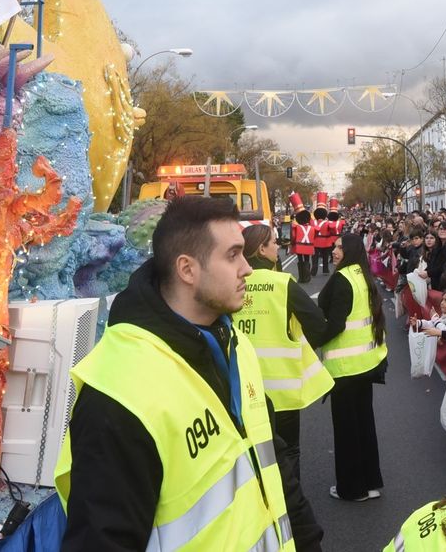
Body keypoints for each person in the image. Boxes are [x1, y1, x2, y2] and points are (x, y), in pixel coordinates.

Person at [54, 197, 292, 552]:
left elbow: (276, 465)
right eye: (232, 255)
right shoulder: (121, 394)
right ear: (187, 269)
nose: (248, 268)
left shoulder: (235, 343)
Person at [239, 225, 333, 507]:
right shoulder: (282, 283)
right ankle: (290, 508)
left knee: (253, 450)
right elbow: (317, 325)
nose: (278, 247)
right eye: (273, 243)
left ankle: (259, 506)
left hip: (243, 386)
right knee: (288, 451)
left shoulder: (232, 282)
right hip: (282, 388)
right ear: (260, 249)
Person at [318, 232, 389, 502]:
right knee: (364, 426)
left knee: (347, 430)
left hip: (345, 368)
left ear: (349, 250)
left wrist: (311, 340)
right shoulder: (362, 275)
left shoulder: (341, 278)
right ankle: (370, 483)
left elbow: (335, 324)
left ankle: (351, 488)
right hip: (367, 364)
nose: (334, 251)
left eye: (338, 247)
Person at [291, 208, 315, 285]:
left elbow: (294, 237)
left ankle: (301, 278)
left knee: (300, 260)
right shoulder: (312, 228)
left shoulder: (296, 227)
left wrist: (292, 244)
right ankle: (307, 277)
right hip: (309, 246)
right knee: (307, 261)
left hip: (299, 246)